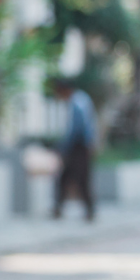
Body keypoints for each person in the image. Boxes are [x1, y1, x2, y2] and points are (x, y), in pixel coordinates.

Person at [52, 77, 99, 222]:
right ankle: (59, 208)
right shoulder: (81, 99)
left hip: (80, 147)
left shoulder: (77, 102)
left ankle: (90, 211)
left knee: (81, 178)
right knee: (65, 177)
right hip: (81, 146)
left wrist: (64, 147)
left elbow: (77, 129)